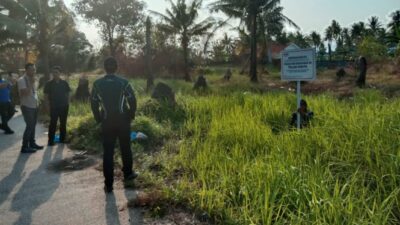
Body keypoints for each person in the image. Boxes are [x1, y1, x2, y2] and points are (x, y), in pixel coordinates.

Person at [91, 57, 138, 193]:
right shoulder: (123, 82)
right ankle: (128, 174)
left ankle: (108, 184)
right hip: (123, 121)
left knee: (108, 152)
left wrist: (98, 118)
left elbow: (94, 103)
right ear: (116, 68)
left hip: (107, 121)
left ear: (105, 68)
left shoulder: (97, 84)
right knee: (125, 148)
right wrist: (131, 114)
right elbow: (132, 100)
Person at [17, 63, 44, 153]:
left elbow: (34, 92)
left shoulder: (33, 79)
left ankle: (32, 143)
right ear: (26, 70)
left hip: (34, 105)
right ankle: (24, 147)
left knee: (33, 126)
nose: (33, 71)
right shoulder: (22, 80)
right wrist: (31, 83)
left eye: (34, 69)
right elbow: (25, 93)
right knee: (29, 126)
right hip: (27, 106)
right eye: (31, 69)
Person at [44, 66, 71, 146]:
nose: (55, 74)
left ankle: (62, 139)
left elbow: (69, 93)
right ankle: (51, 141)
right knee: (53, 123)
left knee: (63, 123)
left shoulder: (64, 83)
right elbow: (45, 96)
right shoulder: (49, 84)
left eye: (56, 72)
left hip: (64, 106)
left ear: (60, 73)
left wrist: (68, 102)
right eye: (53, 72)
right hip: (54, 107)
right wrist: (47, 107)